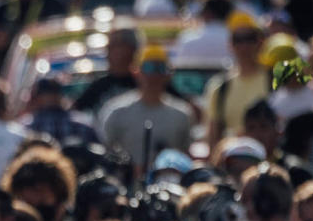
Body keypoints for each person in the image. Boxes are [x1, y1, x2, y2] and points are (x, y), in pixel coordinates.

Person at [100, 47, 193, 177]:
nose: (153, 75)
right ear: (136, 71)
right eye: (147, 67)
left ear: (169, 74)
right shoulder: (116, 111)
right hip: (126, 187)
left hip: (167, 188)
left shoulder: (181, 114)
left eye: (160, 68)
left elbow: (185, 157)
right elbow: (105, 153)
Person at [204, 14, 271, 148]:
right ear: (230, 44)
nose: (244, 45)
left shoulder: (274, 79)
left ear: (260, 41)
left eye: (249, 38)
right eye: (238, 40)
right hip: (233, 163)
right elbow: (213, 137)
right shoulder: (219, 86)